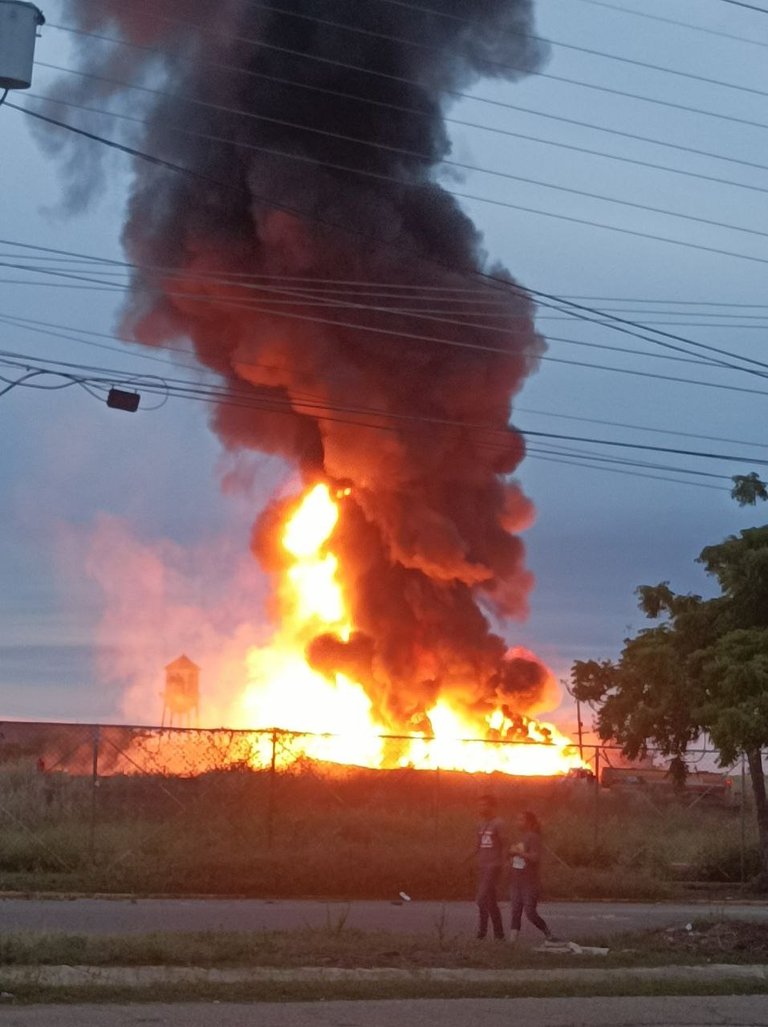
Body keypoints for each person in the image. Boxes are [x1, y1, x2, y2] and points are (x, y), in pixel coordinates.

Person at [509, 811, 555, 943]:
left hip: (529, 882)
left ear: (529, 822)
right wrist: (512, 857)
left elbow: (535, 857)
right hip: (516, 879)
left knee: (530, 912)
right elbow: (516, 857)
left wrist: (519, 853)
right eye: (517, 819)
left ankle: (548, 933)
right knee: (515, 912)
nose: (518, 822)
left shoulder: (534, 837)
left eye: (521, 820)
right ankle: (512, 942)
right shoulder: (519, 837)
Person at [472, 794, 506, 941]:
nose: (481, 808)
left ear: (492, 807)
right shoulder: (480, 824)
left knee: (481, 899)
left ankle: (482, 932)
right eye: (479, 805)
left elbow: (505, 843)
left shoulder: (499, 824)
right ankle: (499, 935)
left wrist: (505, 862)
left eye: (484, 805)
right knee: (490, 901)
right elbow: (477, 846)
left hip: (494, 865)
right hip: (483, 865)